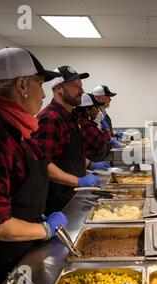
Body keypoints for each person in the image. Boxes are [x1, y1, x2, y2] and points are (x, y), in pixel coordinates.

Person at [0, 48, 68, 284]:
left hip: (20, 256)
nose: (43, 94)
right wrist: (45, 230)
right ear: (22, 85)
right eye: (40, 84)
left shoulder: (15, 129)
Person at [33, 66, 106, 214]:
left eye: (81, 86)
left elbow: (70, 153)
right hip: (58, 204)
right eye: (75, 86)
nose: (81, 91)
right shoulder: (50, 118)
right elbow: (43, 165)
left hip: (73, 196)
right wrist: (77, 181)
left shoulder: (71, 116)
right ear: (59, 88)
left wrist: (90, 164)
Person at [75, 93, 112, 161]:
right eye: (96, 108)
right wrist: (107, 130)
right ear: (88, 110)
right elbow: (101, 143)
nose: (98, 112)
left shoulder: (87, 123)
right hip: (90, 162)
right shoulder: (85, 124)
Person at [93, 84, 122, 149]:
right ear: (99, 98)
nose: (110, 99)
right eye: (108, 97)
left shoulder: (102, 111)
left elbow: (103, 128)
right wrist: (111, 140)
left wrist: (115, 133)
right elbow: (97, 132)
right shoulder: (95, 113)